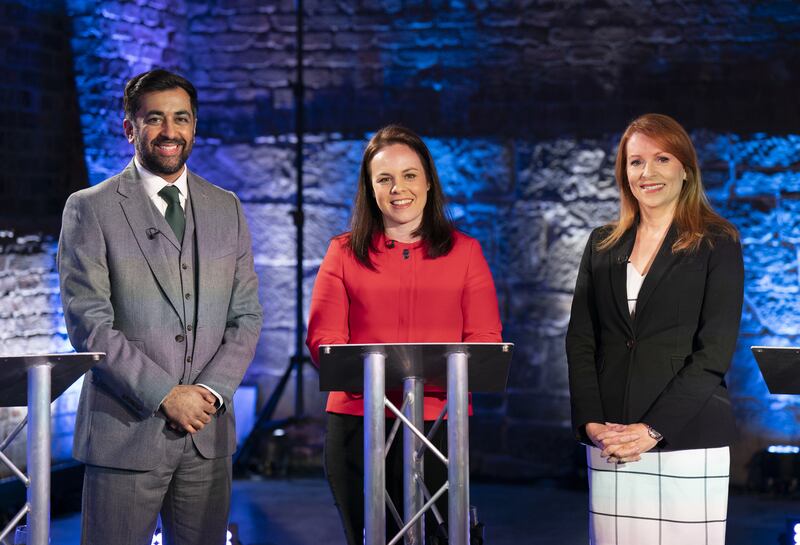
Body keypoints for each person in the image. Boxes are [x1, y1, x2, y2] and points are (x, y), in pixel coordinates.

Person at [58, 69, 263, 545]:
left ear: (194, 126)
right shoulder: (89, 208)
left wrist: (209, 392)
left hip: (206, 435)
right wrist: (166, 394)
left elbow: (247, 316)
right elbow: (89, 324)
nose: (170, 132)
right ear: (130, 127)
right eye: (154, 118)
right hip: (124, 435)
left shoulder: (226, 206)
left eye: (181, 118)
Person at [306, 125, 503, 544]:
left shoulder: (465, 252)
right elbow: (324, 340)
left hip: (438, 426)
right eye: (385, 178)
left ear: (429, 181)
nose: (399, 188)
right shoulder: (342, 252)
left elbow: (485, 338)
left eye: (410, 175)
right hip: (358, 424)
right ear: (370, 188)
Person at [566, 113, 744, 545]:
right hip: (612, 436)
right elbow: (581, 338)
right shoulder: (602, 243)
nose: (647, 172)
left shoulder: (717, 242)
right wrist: (591, 422)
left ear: (685, 168)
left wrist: (652, 430)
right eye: (635, 162)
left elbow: (713, 353)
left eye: (662, 159)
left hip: (687, 438)